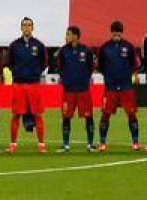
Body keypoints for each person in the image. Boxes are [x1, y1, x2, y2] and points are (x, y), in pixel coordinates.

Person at [97, 20, 141, 152]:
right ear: (111, 33)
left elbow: (135, 65)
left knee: (131, 114)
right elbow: (100, 66)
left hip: (126, 87)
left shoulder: (129, 47)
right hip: (110, 87)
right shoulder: (104, 48)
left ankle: (135, 142)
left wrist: (134, 75)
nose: (117, 36)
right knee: (105, 114)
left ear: (122, 33)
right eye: (115, 34)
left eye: (119, 34)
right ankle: (102, 143)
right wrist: (109, 76)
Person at [6, 17, 48, 153]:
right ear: (21, 28)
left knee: (37, 114)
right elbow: (9, 62)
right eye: (24, 25)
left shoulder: (39, 45)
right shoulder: (14, 45)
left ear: (32, 27)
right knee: (16, 115)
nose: (26, 27)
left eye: (29, 25)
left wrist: (35, 73)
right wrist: (17, 72)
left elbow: (44, 63)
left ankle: (41, 144)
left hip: (34, 84)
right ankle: (13, 144)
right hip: (18, 84)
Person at [57, 26, 96, 152]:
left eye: (68, 34)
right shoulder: (63, 51)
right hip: (68, 90)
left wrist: (83, 79)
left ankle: (90, 144)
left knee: (88, 116)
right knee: (66, 117)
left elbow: (91, 67)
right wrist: (66, 78)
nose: (66, 36)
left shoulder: (86, 50)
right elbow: (60, 67)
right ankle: (66, 145)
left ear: (75, 36)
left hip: (83, 90)